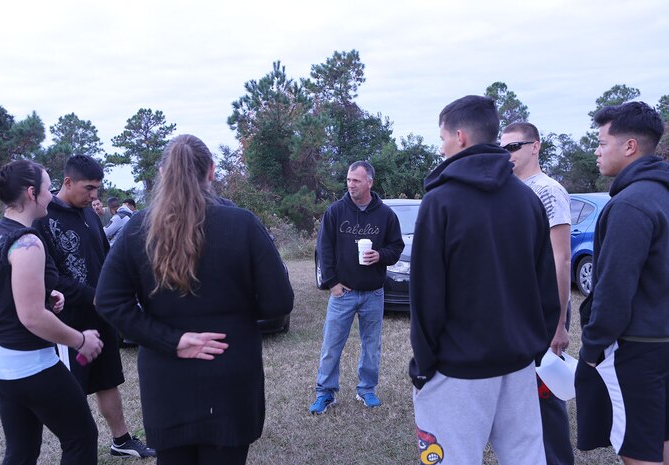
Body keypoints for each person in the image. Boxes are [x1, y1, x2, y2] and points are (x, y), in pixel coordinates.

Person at [94, 134, 294, 465]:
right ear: (211, 171)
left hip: (166, 381)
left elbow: (109, 302)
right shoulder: (242, 224)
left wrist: (172, 340)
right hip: (229, 369)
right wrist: (235, 316)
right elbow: (278, 302)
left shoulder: (136, 229)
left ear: (162, 173)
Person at [409, 95, 560, 464]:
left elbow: (427, 296)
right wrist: (533, 346)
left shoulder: (440, 202)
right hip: (518, 363)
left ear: (460, 137)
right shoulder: (527, 200)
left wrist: (424, 365)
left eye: (442, 138)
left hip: (458, 369)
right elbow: (547, 287)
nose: (441, 147)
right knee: (526, 457)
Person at [0, 160, 103, 464]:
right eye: (48, 187)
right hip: (24, 362)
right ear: (32, 193)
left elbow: (0, 294)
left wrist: (47, 296)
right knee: (81, 438)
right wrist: (80, 340)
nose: (51, 194)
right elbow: (30, 317)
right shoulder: (28, 242)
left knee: (22, 450)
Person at [33, 155, 155, 458]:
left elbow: (105, 256)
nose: (94, 196)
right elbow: (50, 276)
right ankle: (75, 446)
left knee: (108, 378)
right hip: (69, 321)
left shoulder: (89, 213)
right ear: (68, 182)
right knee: (72, 387)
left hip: (102, 315)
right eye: (89, 188)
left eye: (97, 190)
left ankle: (121, 440)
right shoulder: (42, 217)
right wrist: (92, 296)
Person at [576, 101, 669, 465]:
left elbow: (614, 289)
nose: (596, 152)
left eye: (601, 143)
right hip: (661, 340)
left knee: (638, 449)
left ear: (629, 146)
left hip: (638, 348)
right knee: (660, 435)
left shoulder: (631, 204)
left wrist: (593, 350)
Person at [501, 122, 574, 465]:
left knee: (546, 397)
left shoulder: (546, 190)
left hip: (545, 312)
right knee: (524, 397)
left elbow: (561, 258)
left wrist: (559, 324)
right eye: (503, 149)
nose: (508, 155)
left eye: (514, 147)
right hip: (520, 310)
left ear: (535, 147)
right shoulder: (511, 190)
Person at [310, 161, 404, 414]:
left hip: (373, 293)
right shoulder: (336, 212)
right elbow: (324, 249)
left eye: (356, 180)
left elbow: (396, 247)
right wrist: (332, 284)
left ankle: (366, 389)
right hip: (344, 293)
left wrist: (380, 255)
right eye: (349, 180)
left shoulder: (385, 215)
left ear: (369, 182)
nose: (351, 184)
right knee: (332, 344)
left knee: (371, 345)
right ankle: (325, 393)